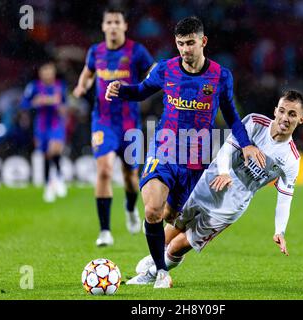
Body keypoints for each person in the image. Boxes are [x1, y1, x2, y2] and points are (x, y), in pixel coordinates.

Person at [105, 16, 259, 288]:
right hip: (163, 149)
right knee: (152, 209)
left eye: (190, 43)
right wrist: (120, 91)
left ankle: (155, 264)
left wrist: (246, 144)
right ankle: (162, 273)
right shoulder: (165, 70)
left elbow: (232, 116)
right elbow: (141, 92)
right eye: (180, 44)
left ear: (203, 41)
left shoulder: (221, 76)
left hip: (196, 160)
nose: (185, 49)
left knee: (170, 217)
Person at [128, 90, 303, 286]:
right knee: (173, 227)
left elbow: (285, 197)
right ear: (275, 111)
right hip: (208, 183)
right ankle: (158, 260)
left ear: (301, 119)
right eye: (282, 111)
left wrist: (279, 230)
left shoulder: (291, 159)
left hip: (229, 207)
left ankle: (153, 274)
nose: (285, 118)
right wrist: (223, 172)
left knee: (179, 245)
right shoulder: (255, 123)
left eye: (292, 114)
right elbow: (227, 148)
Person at [73, 7, 155, 246]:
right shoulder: (95, 52)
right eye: (108, 22)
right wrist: (82, 86)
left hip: (130, 123)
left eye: (117, 22)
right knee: (104, 171)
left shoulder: (136, 51)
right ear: (103, 26)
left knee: (130, 177)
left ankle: (130, 208)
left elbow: (152, 72)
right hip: (103, 122)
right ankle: (105, 231)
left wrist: (149, 86)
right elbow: (88, 74)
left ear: (124, 26)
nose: (112, 26)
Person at [21, 61, 68, 203]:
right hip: (41, 124)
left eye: (50, 70)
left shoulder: (60, 86)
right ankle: (49, 184)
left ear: (53, 72)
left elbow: (65, 105)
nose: (47, 74)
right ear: (40, 73)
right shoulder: (34, 87)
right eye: (44, 70)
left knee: (55, 148)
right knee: (47, 154)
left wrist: (61, 107)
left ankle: (59, 177)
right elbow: (24, 103)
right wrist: (35, 102)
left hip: (55, 122)